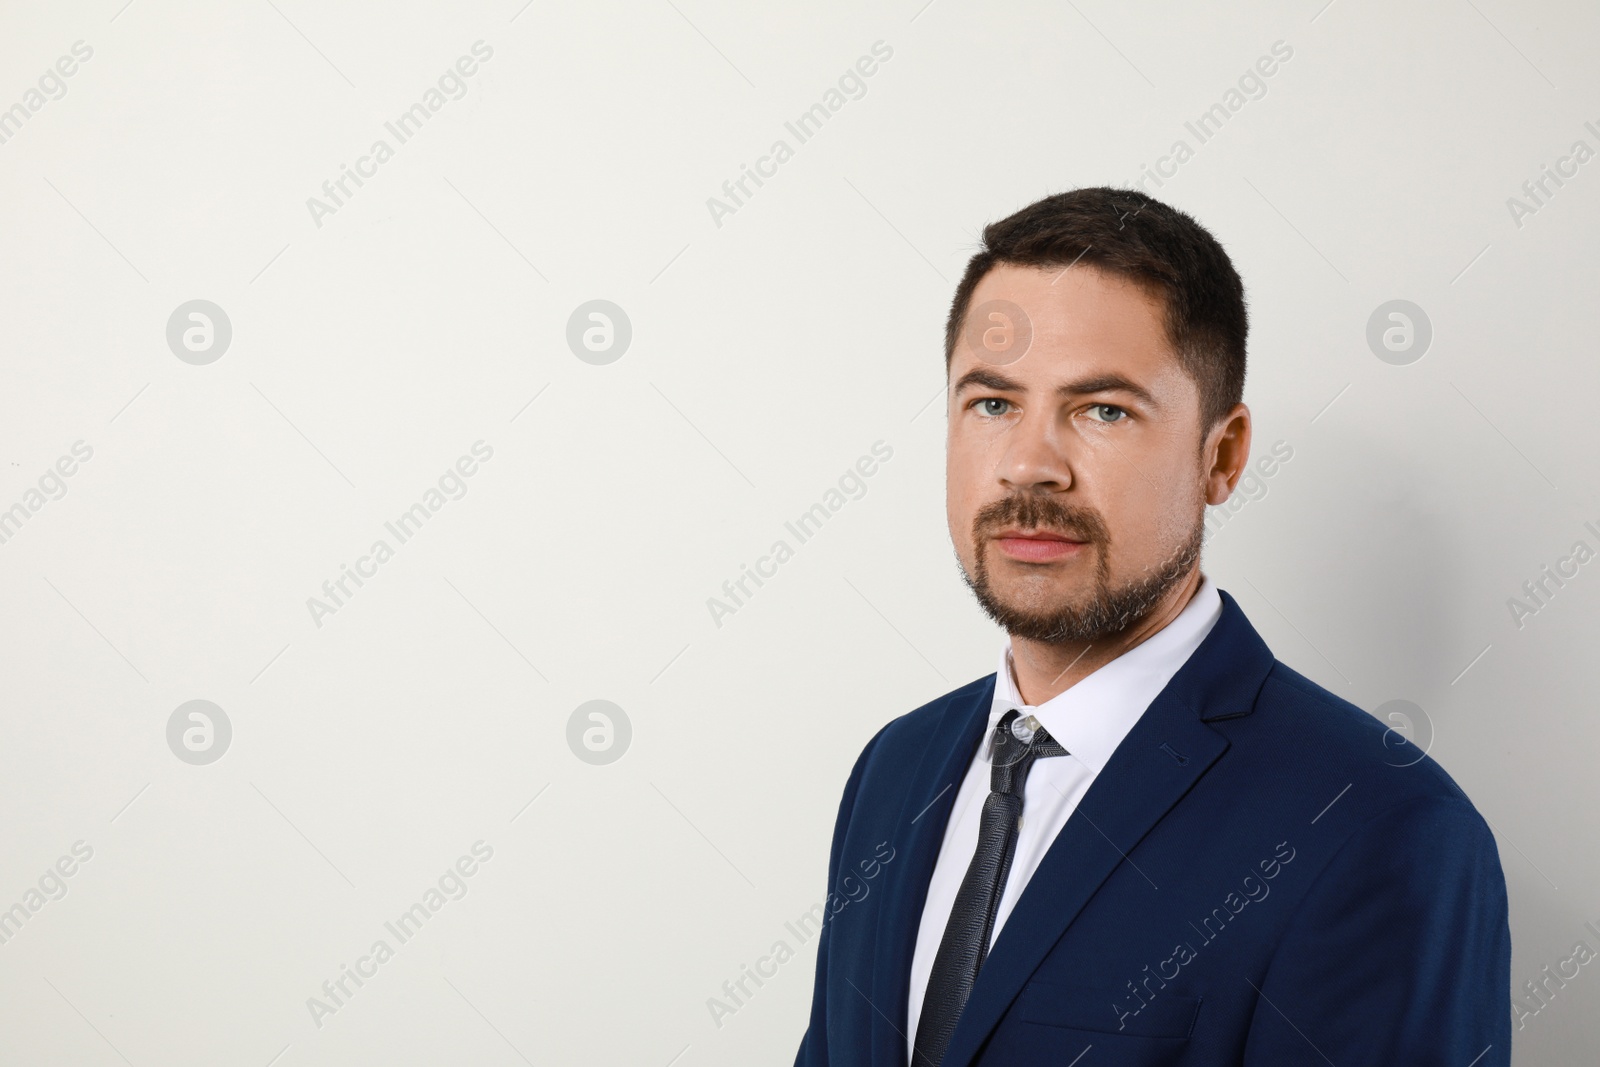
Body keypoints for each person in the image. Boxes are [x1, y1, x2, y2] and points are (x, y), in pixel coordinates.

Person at [793, 187, 1511, 1066]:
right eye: (992, 403)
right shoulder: (893, 772)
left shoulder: (1381, 831)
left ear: (1223, 455)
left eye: (1103, 410)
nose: (1029, 464)